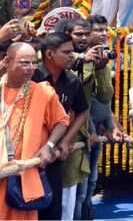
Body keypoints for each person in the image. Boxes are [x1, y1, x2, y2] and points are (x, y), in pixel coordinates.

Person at [0, 42, 70, 221]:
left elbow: (62, 121)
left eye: (33, 63)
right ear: (6, 61)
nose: (31, 68)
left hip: (23, 175)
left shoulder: (43, 92)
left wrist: (49, 145)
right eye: (24, 63)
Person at [32, 33, 89, 221]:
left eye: (73, 52)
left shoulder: (73, 81)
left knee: (52, 208)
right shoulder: (31, 76)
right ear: (49, 54)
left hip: (53, 155)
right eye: (67, 52)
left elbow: (82, 111)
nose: (72, 56)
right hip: (27, 154)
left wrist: (65, 141)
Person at [73, 15, 116, 220]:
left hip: (94, 129)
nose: (103, 34)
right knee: (78, 188)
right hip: (76, 132)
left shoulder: (102, 58)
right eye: (97, 30)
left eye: (105, 30)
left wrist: (101, 69)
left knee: (91, 181)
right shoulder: (75, 58)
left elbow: (105, 97)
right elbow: (80, 100)